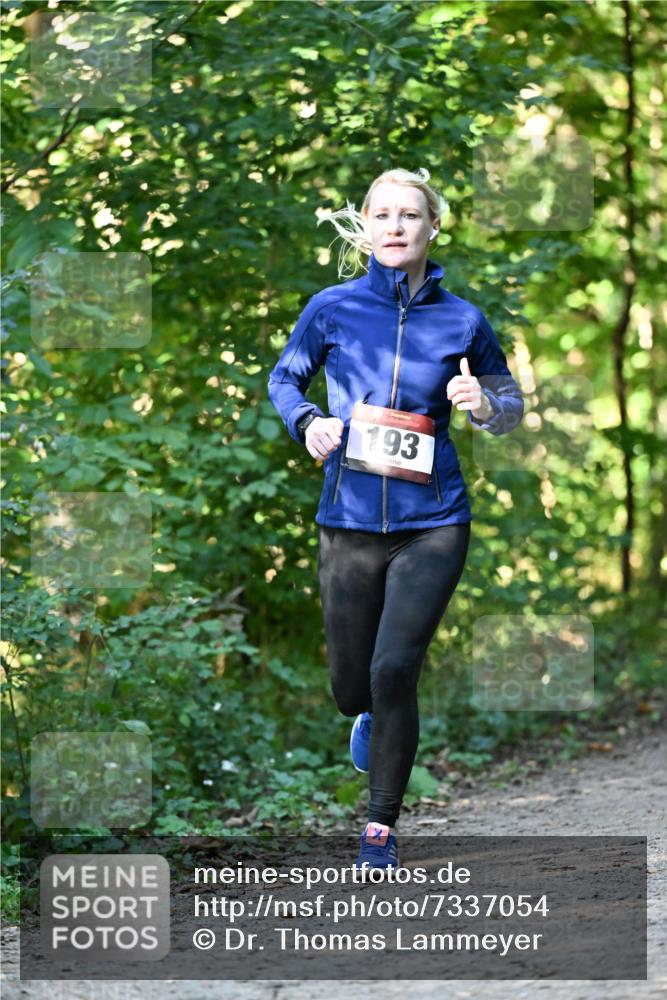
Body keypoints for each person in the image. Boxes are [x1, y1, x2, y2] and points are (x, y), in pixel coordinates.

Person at [267, 166, 524, 871]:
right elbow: (285, 378)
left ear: (431, 227)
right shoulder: (332, 308)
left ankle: (379, 827)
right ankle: (365, 717)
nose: (394, 226)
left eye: (408, 215)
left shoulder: (462, 319)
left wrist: (483, 405)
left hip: (433, 520)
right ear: (365, 227)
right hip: (348, 520)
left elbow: (509, 406)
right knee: (353, 685)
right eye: (381, 215)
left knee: (394, 669)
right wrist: (308, 421)